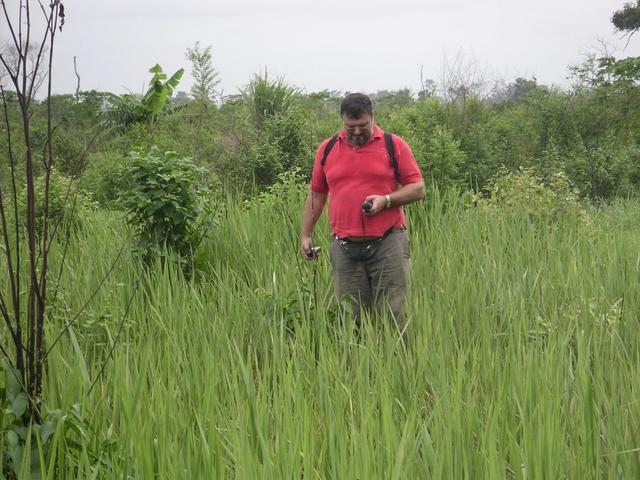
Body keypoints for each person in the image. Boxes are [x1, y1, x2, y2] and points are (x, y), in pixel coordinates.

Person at [300, 93, 425, 328]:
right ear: (342, 121)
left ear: (373, 118)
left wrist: (385, 200)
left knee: (393, 318)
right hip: (344, 247)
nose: (357, 132)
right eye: (351, 126)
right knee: (351, 320)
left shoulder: (393, 144)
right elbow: (317, 194)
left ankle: (395, 363)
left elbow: (418, 189)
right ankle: (357, 365)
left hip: (388, 243)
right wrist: (306, 235)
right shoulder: (327, 150)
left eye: (362, 126)